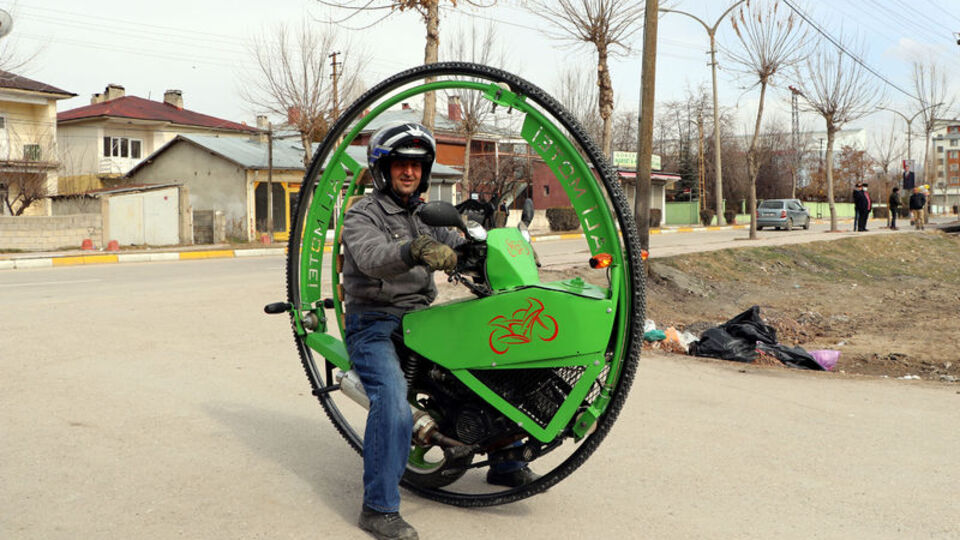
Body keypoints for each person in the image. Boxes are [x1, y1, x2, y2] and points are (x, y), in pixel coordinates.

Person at [341, 121, 536, 540]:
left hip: (422, 321)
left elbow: (455, 240)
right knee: (392, 402)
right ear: (383, 169)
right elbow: (372, 256)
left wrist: (480, 244)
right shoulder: (363, 213)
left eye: (416, 165)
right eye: (400, 164)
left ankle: (505, 459)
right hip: (375, 323)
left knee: (493, 357)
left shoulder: (425, 214)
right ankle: (378, 507)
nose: (409, 172)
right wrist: (412, 250)